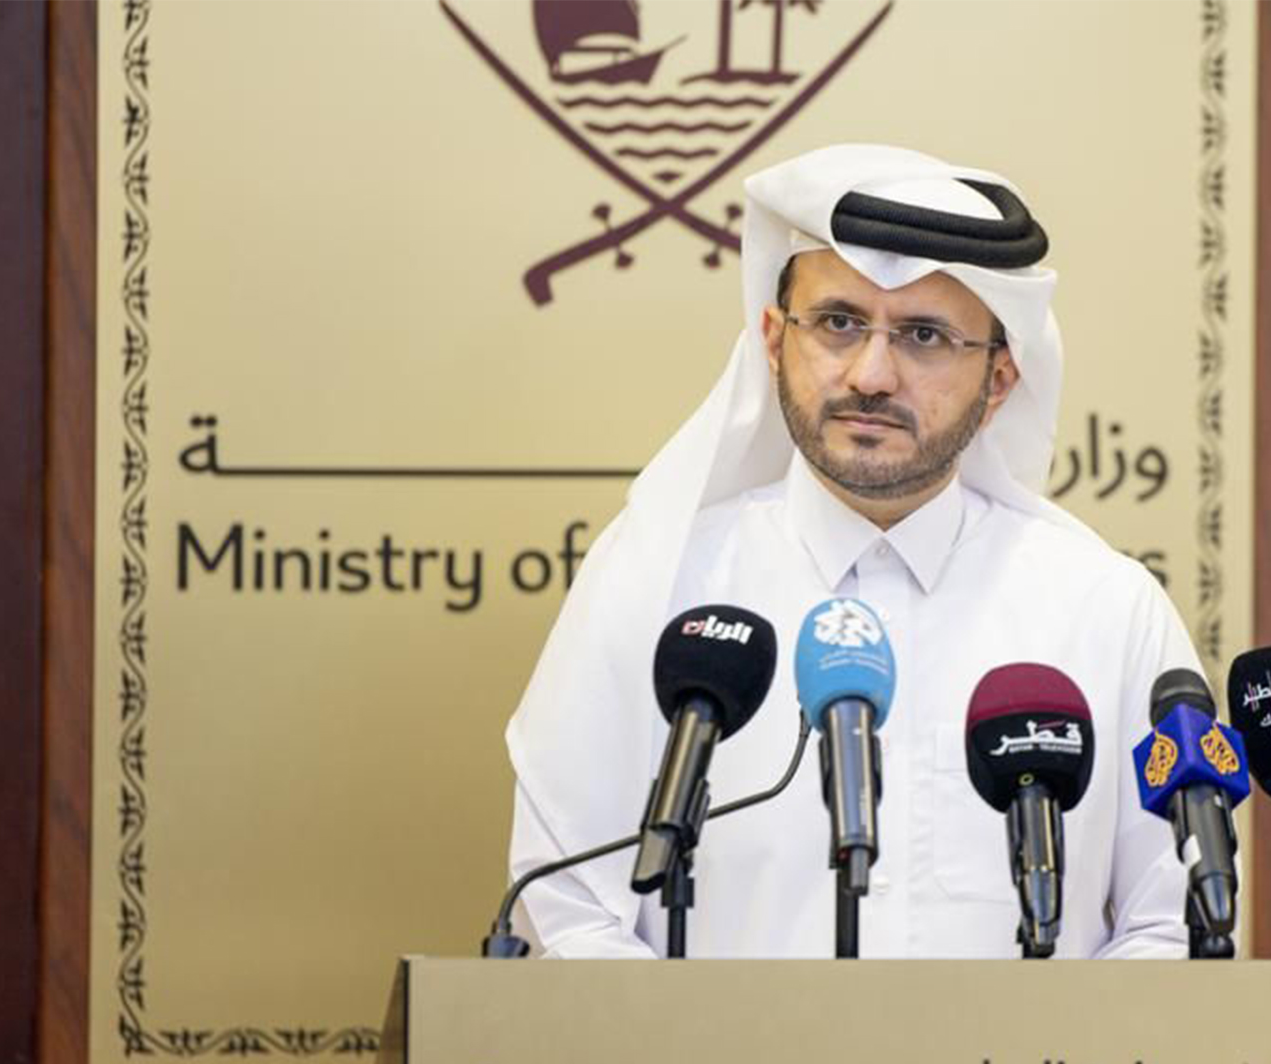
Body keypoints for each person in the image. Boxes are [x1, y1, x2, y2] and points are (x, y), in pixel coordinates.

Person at [507, 144, 1205, 959]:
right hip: (707, 1052)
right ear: (775, 341)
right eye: (839, 323)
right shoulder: (657, 580)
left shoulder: (1107, 611)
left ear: (1000, 380)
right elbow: (565, 911)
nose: (872, 375)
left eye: (924, 335)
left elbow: (1172, 924)